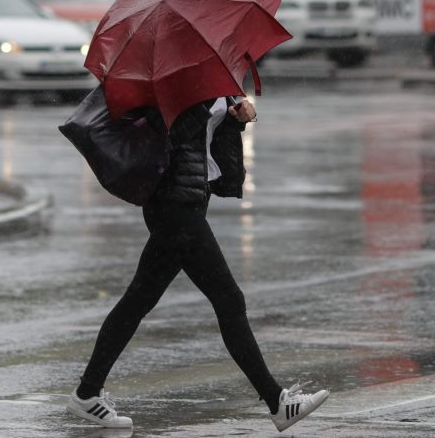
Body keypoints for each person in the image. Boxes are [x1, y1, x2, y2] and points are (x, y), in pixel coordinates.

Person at [66, 96, 329, 432]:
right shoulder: (171, 82)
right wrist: (203, 103)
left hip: (191, 197)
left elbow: (212, 148)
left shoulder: (208, 79)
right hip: (173, 203)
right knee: (229, 300)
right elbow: (170, 135)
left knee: (138, 300)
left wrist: (236, 119)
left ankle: (87, 393)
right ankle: (278, 402)